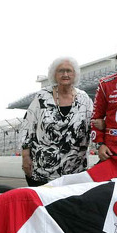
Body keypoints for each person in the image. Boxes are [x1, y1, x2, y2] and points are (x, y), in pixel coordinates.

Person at [21, 57, 93, 186]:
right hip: (42, 172)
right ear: (54, 74)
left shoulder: (84, 99)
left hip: (75, 172)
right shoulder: (42, 97)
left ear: (75, 74)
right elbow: (27, 126)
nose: (65, 74)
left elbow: (93, 126)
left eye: (69, 71)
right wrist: (25, 156)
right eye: (61, 71)